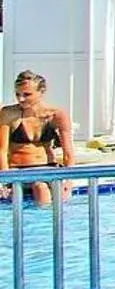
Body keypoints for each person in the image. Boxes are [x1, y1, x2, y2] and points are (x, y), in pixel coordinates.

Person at [3, 71, 77, 207]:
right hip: (18, 169)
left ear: (41, 91)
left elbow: (68, 153)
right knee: (40, 187)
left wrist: (69, 180)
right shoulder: (8, 114)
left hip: (48, 167)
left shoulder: (57, 115)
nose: (21, 99)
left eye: (27, 95)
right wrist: (5, 180)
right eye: (18, 94)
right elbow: (1, 151)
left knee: (51, 191)